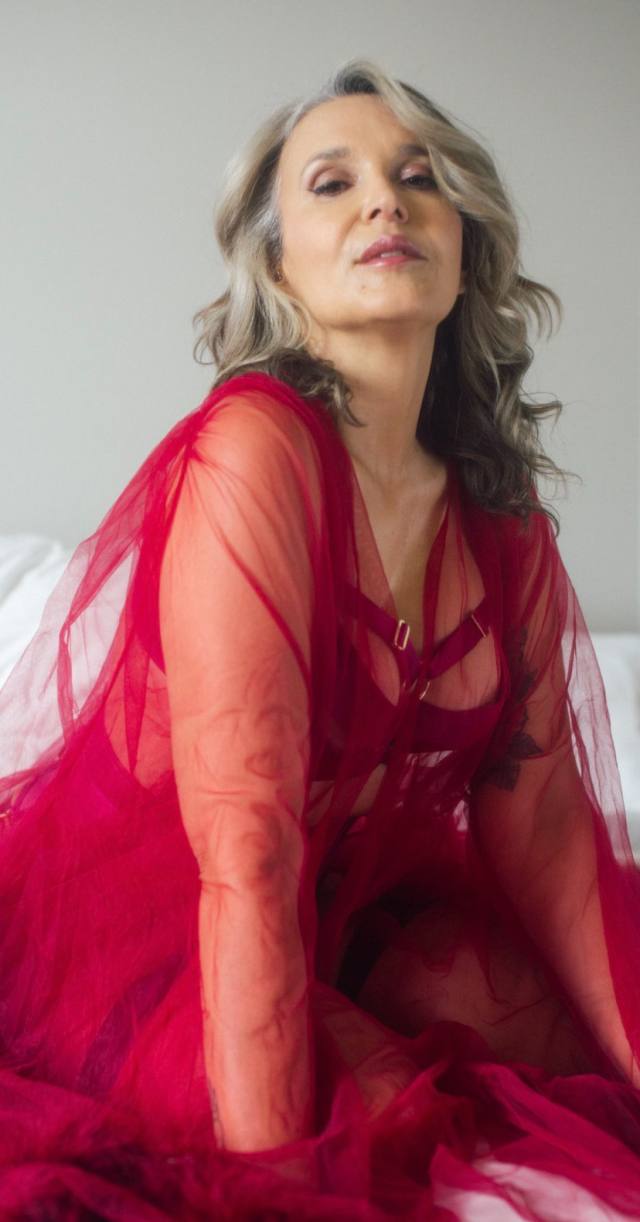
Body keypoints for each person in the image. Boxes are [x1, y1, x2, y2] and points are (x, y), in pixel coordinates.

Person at [1, 57, 640, 1221]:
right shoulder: (256, 452)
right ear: (278, 267)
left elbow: (547, 833)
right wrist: (277, 1191)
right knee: (380, 1115)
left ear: (465, 251)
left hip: (347, 904)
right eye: (333, 183)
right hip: (157, 927)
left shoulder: (498, 522)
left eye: (419, 177)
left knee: (563, 1045)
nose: (385, 200)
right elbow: (245, 852)